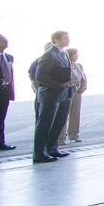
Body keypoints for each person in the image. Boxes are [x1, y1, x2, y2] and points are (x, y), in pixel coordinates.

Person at [33, 31, 73, 163]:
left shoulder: (64, 53)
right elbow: (40, 76)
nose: (68, 40)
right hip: (51, 93)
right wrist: (59, 84)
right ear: (56, 40)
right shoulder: (49, 54)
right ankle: (39, 153)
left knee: (58, 122)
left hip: (63, 94)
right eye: (65, 38)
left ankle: (52, 148)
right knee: (45, 124)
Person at [60, 48, 87, 145]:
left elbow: (84, 77)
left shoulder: (79, 66)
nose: (77, 56)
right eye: (75, 54)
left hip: (77, 92)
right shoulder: (65, 66)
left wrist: (84, 87)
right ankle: (61, 137)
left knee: (75, 114)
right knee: (64, 115)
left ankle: (74, 135)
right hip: (68, 92)